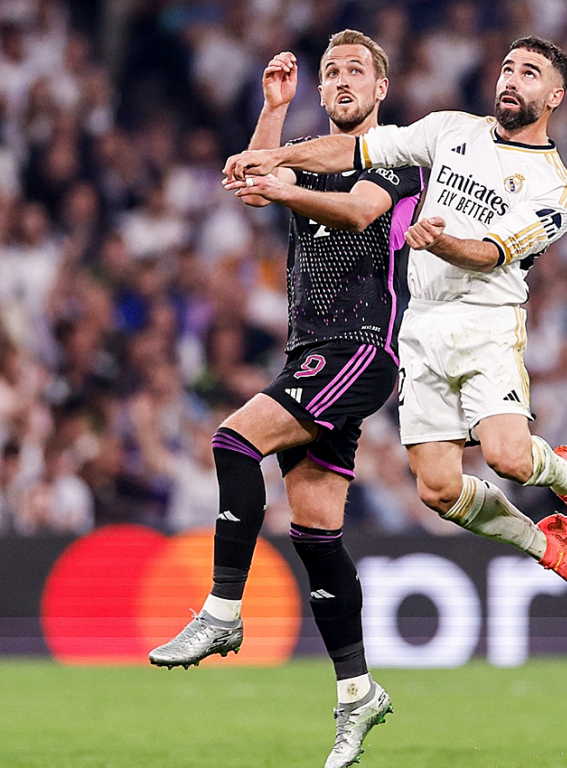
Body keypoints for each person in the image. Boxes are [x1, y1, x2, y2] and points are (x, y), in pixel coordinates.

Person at [223, 36, 567, 611]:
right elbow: (353, 153)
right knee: (437, 489)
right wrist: (277, 156)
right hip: (420, 323)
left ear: (554, 96)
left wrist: (443, 241)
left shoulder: (557, 189)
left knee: (505, 455)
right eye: (507, 67)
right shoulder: (451, 128)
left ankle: (566, 476)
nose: (511, 79)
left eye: (529, 74)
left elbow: (490, 253)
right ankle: (545, 543)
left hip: (486, 322)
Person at [149, 30, 422, 768]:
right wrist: (272, 115)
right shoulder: (302, 151)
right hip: (312, 351)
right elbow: (253, 177)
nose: (339, 78)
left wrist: (281, 177)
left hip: (360, 346)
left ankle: (222, 612)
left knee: (235, 441)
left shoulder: (399, 155)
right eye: (330, 69)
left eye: (355, 70)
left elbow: (361, 212)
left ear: (379, 90)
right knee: (314, 532)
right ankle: (357, 693)